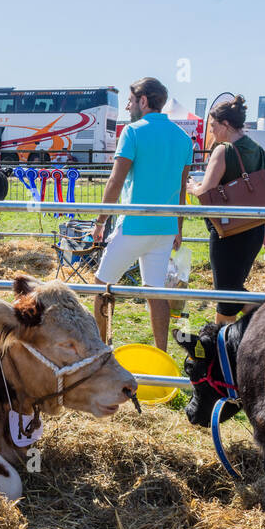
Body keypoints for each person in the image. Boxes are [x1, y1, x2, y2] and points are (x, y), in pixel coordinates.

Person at [91, 77, 192, 353]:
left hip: (135, 225)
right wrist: (179, 227)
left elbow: (115, 180)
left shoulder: (132, 132)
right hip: (166, 226)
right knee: (154, 291)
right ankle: (161, 355)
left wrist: (100, 222)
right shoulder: (183, 138)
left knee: (101, 286)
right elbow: (182, 188)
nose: (127, 105)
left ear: (144, 101)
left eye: (131, 100)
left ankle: (100, 352)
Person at [186, 94, 265, 326]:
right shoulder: (257, 149)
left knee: (225, 294)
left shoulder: (223, 150)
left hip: (228, 231)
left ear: (225, 125)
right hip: (253, 229)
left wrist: (191, 187)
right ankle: (256, 321)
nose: (212, 131)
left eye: (214, 126)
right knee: (230, 288)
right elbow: (262, 190)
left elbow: (207, 190)